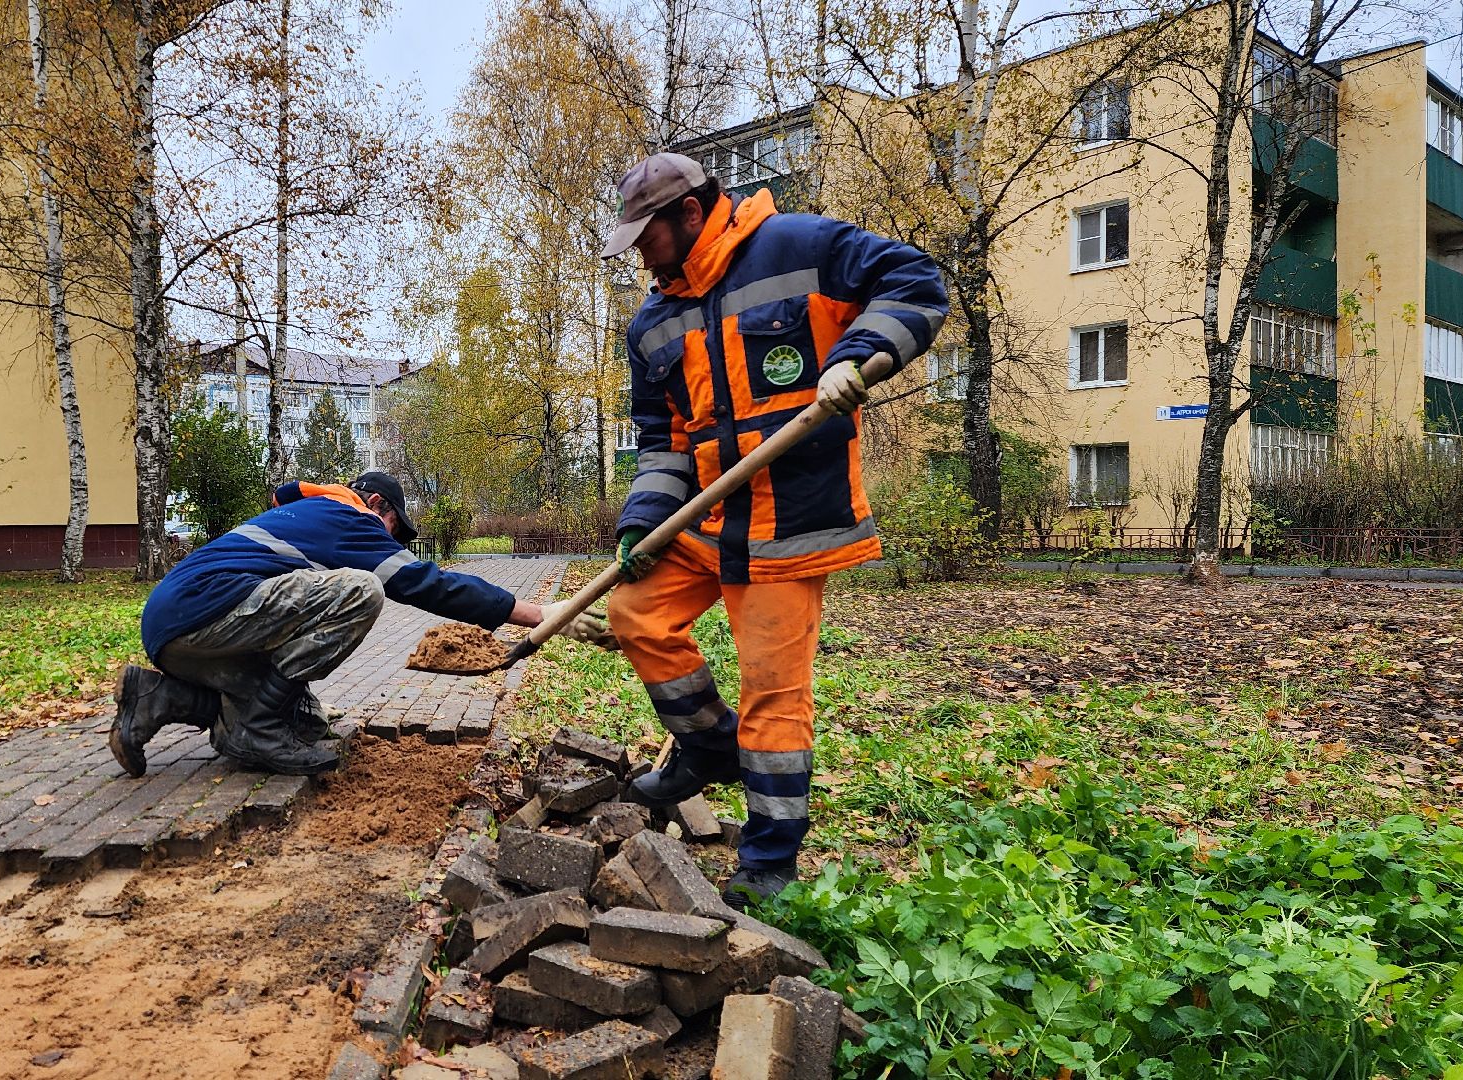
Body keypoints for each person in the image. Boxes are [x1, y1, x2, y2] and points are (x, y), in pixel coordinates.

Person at [600, 152, 948, 909]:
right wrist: (642, 522)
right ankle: (706, 746)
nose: (640, 259)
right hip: (706, 520)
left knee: (774, 696)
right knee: (635, 613)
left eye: (645, 238)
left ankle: (767, 859)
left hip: (789, 524)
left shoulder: (798, 246)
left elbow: (917, 280)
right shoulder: (653, 322)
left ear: (689, 213)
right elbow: (662, 441)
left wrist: (860, 353)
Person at [113, 471, 613, 776]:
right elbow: (428, 583)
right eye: (396, 526)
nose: (392, 541)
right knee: (360, 589)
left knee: (306, 719)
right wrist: (541, 614)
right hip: (207, 611)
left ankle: (156, 698)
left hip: (178, 630)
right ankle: (257, 729)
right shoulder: (350, 517)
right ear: (378, 506)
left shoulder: (309, 513)